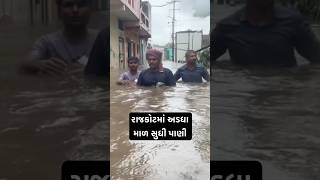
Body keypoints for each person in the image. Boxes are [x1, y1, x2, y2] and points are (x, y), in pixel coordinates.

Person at [212, 0, 320, 67]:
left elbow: (316, 60)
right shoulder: (227, 27)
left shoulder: (293, 22)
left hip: (284, 90)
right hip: (243, 93)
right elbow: (203, 62)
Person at [21, 0, 98, 76]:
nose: (75, 10)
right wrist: (40, 65)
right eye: (68, 5)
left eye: (81, 5)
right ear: (59, 11)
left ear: (91, 9)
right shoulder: (47, 42)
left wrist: (91, 70)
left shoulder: (101, 39)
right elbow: (26, 62)